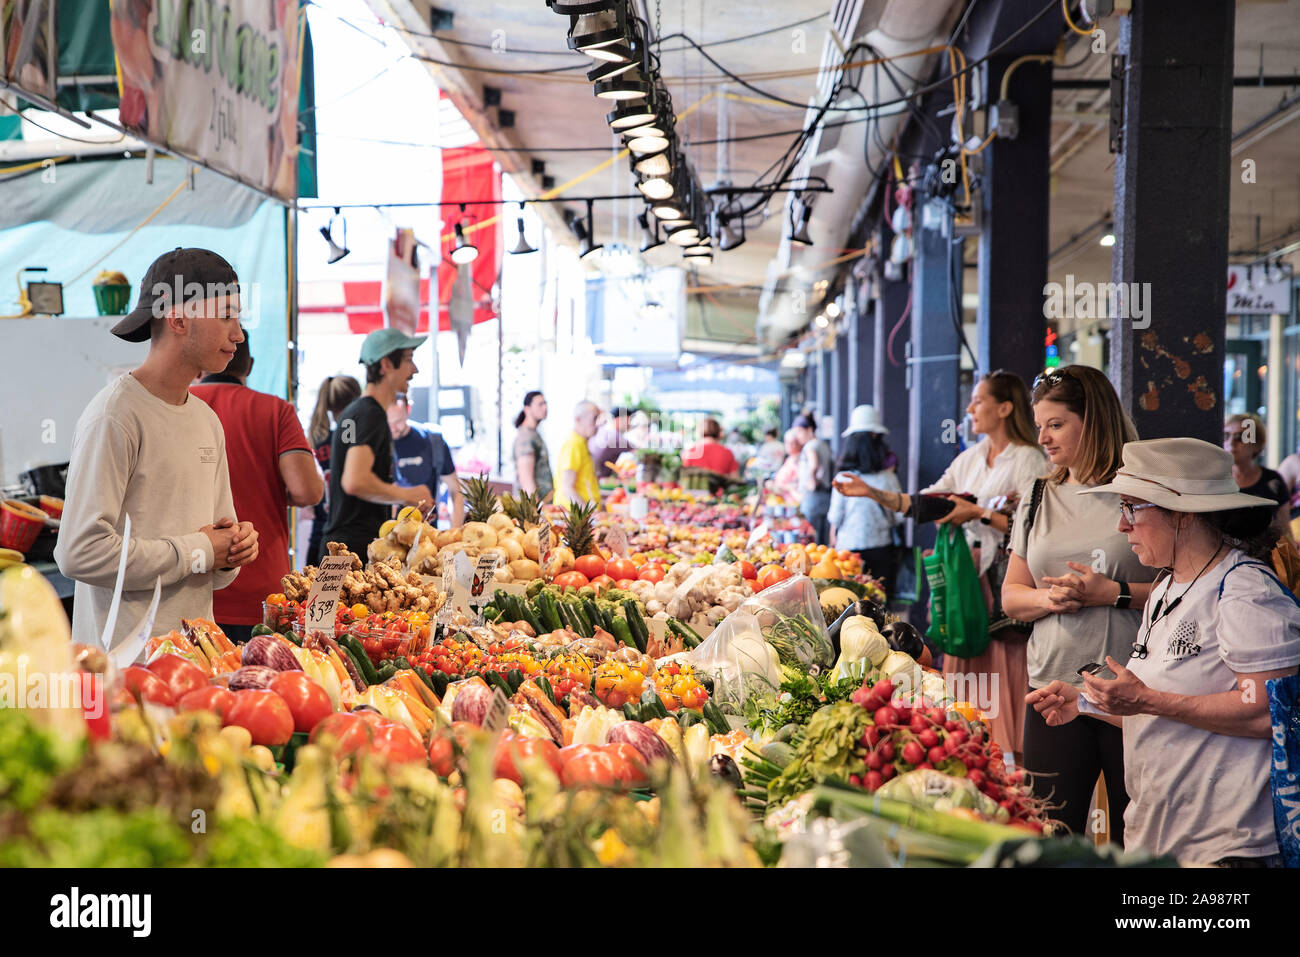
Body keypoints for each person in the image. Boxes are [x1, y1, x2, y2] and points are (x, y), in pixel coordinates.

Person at [1028, 437, 1300, 865]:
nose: (1122, 525)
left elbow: (1268, 711)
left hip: (1226, 850)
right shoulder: (1165, 588)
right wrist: (1084, 702)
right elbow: (1161, 709)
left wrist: (1148, 699)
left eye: (1132, 508)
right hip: (1161, 842)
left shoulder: (1245, 591)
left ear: (1184, 515)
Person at [55, 248, 259, 648]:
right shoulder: (115, 416)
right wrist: (199, 548)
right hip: (124, 674)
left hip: (196, 663)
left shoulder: (206, 419)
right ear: (179, 317)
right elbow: (79, 552)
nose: (238, 334)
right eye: (226, 316)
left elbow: (213, 564)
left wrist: (232, 549)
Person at [837, 376, 1047, 760]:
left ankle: (1011, 756)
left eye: (978, 401)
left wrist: (979, 514)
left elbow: (1035, 527)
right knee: (967, 666)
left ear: (1004, 408)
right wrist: (873, 493)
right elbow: (927, 503)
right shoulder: (971, 458)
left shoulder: (1029, 460)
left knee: (1000, 666)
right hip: (963, 584)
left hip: (1002, 584)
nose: (969, 409)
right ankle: (967, 744)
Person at [999, 365, 1158, 842]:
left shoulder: (1142, 491)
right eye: (1040, 424)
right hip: (1051, 688)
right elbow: (1011, 596)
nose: (1043, 437)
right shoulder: (1038, 493)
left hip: (1132, 691)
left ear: (1094, 420)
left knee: (1138, 836)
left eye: (1056, 424)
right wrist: (1052, 597)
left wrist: (1113, 594)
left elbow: (1187, 593)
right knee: (1050, 834)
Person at [191, 331, 323, 644]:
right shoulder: (276, 411)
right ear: (248, 365)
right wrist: (268, 485)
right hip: (261, 592)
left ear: (198, 368)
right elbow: (307, 491)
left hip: (192, 585)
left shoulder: (180, 408)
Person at [322, 329, 433, 562]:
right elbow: (355, 481)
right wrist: (407, 495)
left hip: (338, 551)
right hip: (351, 552)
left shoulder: (354, 413)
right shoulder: (370, 415)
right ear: (385, 364)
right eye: (408, 360)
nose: (415, 370)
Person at [827, 406, 901, 597]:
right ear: (876, 438)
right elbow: (899, 517)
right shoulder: (888, 478)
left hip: (847, 550)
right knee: (878, 601)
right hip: (881, 547)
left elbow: (835, 517)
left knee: (848, 601)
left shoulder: (843, 478)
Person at [305, 374, 362, 566]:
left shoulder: (316, 439)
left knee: (317, 597)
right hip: (350, 540)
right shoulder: (353, 443)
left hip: (320, 538)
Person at [388, 393, 463, 527]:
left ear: (408, 409)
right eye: (388, 422)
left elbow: (455, 491)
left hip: (428, 535)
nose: (393, 428)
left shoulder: (433, 440)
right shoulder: (377, 445)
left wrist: (455, 531)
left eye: (398, 421)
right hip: (388, 534)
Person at [1224, 413, 1291, 533]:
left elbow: (1285, 531)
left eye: (1240, 436)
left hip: (1265, 550)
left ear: (1257, 445)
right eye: (1226, 435)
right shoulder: (1215, 480)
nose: (1231, 442)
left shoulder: (1273, 480)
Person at [792, 413, 833, 544]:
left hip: (814, 498)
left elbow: (813, 463)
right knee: (822, 539)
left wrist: (812, 480)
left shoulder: (810, 446)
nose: (797, 437)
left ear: (809, 429)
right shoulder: (823, 444)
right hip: (825, 497)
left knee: (812, 538)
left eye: (799, 431)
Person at [555, 400, 602, 508]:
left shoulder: (582, 443)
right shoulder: (573, 444)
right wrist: (590, 514)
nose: (597, 424)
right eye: (594, 418)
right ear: (578, 419)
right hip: (573, 517)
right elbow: (567, 488)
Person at [513, 391, 553, 501]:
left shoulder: (533, 434)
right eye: (540, 404)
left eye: (545, 403)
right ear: (527, 409)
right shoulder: (525, 437)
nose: (545, 408)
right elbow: (526, 480)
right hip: (532, 509)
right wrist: (536, 512)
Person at [589, 406, 631, 479]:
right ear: (619, 420)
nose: (629, 424)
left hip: (590, 477)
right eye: (628, 420)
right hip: (599, 480)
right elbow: (639, 453)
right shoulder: (616, 437)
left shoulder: (601, 430)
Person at [771, 428, 804, 501]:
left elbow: (796, 486)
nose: (789, 445)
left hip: (794, 504)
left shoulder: (801, 461)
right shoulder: (790, 459)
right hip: (783, 501)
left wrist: (784, 487)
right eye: (786, 442)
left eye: (792, 442)